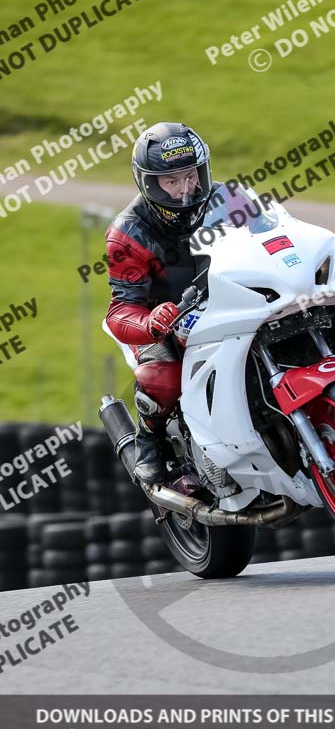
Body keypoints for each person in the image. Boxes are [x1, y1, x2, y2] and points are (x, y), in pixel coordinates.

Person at [104, 122, 215, 486]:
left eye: (191, 176)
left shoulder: (229, 198)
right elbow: (119, 310)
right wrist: (151, 321)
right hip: (162, 319)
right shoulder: (128, 233)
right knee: (164, 377)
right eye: (172, 181)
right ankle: (149, 441)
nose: (186, 189)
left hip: (221, 301)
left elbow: (275, 228)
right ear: (150, 184)